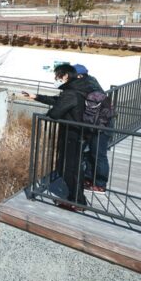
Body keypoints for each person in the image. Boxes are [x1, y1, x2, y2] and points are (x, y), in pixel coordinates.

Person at [22, 64, 93, 210]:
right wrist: (36, 97)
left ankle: (77, 201)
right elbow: (58, 101)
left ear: (66, 76)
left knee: (68, 168)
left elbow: (56, 112)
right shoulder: (77, 88)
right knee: (71, 167)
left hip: (72, 134)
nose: (56, 79)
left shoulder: (71, 93)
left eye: (58, 76)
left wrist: (50, 113)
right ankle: (77, 198)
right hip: (77, 133)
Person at [73, 64, 111, 193]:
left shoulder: (87, 85)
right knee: (91, 152)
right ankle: (89, 179)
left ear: (79, 75)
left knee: (99, 154)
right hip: (94, 123)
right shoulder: (90, 81)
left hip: (101, 124)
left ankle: (100, 184)